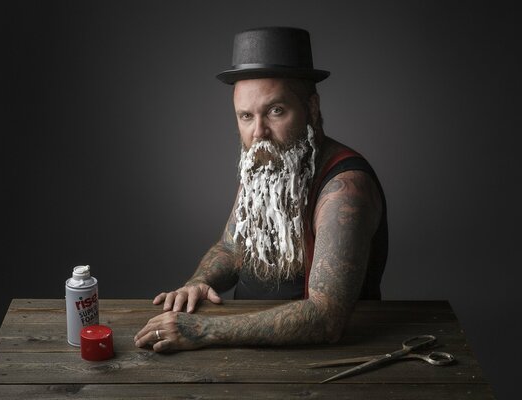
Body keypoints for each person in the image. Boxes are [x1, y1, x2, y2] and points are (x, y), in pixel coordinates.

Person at [135, 27, 388, 352]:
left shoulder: (345, 187)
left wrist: (202, 330)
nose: (259, 132)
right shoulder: (270, 162)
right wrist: (199, 282)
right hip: (244, 343)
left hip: (313, 357)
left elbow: (327, 319)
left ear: (311, 109)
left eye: (275, 111)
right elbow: (231, 248)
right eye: (245, 116)